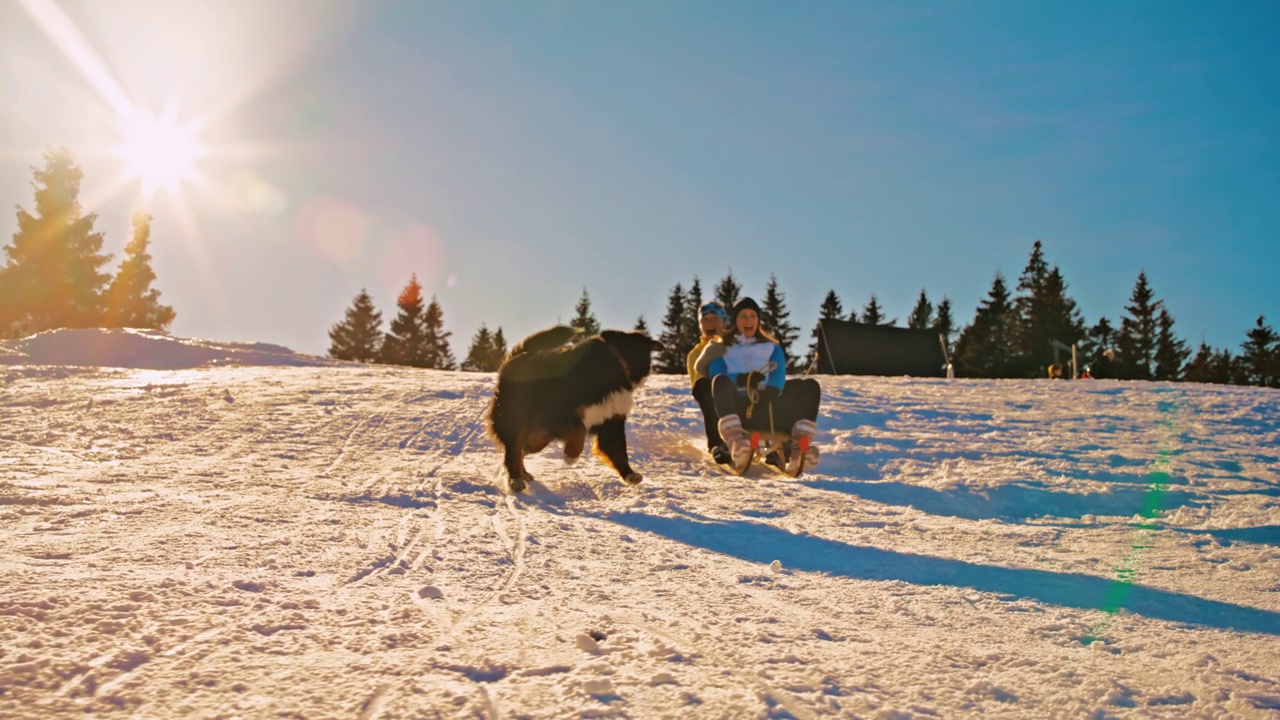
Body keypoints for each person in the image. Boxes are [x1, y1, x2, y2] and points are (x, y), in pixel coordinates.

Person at [698, 297, 821, 471]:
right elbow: (715, 373)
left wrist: (772, 390)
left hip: (769, 408)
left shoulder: (771, 348)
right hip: (740, 410)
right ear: (735, 320)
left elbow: (778, 372)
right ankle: (736, 443)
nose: (748, 320)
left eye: (753, 316)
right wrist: (740, 379)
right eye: (743, 316)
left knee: (809, 386)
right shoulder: (723, 348)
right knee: (719, 382)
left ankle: (799, 446)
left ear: (758, 320)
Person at [687, 301, 732, 464]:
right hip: (713, 396)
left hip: (737, 392)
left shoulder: (734, 345)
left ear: (723, 322)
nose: (710, 323)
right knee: (703, 386)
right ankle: (716, 442)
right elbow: (697, 381)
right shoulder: (695, 354)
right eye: (705, 320)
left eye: (714, 318)